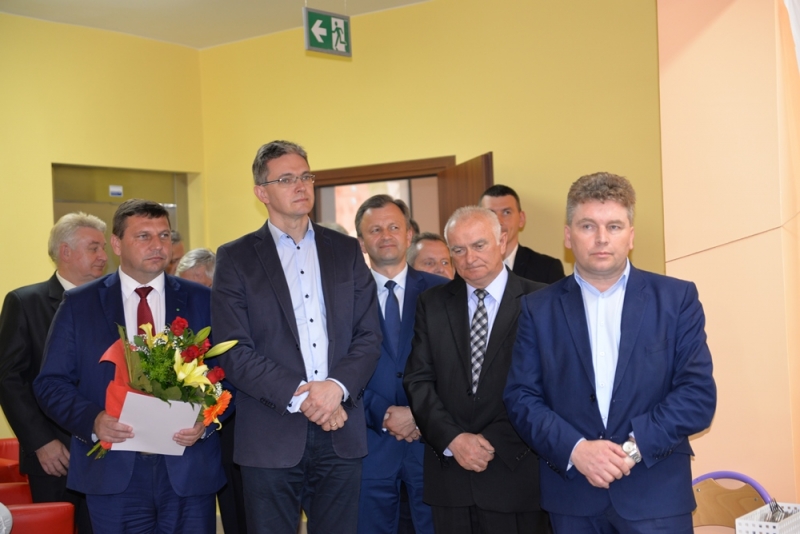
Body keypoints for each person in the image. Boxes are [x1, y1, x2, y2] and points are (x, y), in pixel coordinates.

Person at [504, 172, 716, 533]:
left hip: (656, 494)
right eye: (588, 226)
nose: (601, 238)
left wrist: (630, 450)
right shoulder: (537, 309)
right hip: (573, 496)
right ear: (568, 236)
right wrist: (576, 450)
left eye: (614, 226)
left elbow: (697, 395)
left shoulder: (676, 299)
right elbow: (521, 398)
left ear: (630, 236)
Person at [211, 140, 381, 534]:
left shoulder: (346, 250)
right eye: (286, 179)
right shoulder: (236, 258)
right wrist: (307, 397)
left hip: (341, 429)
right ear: (261, 192)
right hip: (271, 432)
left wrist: (336, 389)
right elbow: (233, 349)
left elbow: (369, 334)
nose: (301, 186)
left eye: (306, 176)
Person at [34, 199, 226, 534]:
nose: (158, 245)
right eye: (144, 236)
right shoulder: (80, 304)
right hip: (113, 473)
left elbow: (230, 373)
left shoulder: (202, 299)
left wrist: (205, 421)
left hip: (188, 470)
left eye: (164, 235)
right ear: (117, 243)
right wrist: (93, 420)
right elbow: (50, 383)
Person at [404, 206, 550, 534]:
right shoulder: (431, 303)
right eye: (458, 249)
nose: (469, 258)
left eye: (479, 245)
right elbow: (418, 380)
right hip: (450, 476)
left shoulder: (541, 300)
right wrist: (453, 439)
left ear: (502, 240)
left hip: (516, 473)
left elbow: (548, 386)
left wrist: (491, 441)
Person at [0, 211, 108, 533]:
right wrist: (41, 442)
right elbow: (8, 379)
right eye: (94, 248)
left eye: (104, 247)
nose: (104, 256)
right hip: (55, 454)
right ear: (65, 252)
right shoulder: (25, 302)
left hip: (109, 451)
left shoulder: (112, 301)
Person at [354, 195, 447, 534]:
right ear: (361, 242)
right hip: (370, 448)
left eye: (394, 227)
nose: (386, 236)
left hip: (431, 446)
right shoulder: (343, 298)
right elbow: (334, 369)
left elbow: (457, 368)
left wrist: (420, 414)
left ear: (409, 235)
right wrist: (381, 413)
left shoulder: (443, 292)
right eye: (375, 230)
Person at [175, 247, 246, 534]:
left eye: (199, 287)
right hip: (189, 439)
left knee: (239, 515)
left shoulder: (235, 318)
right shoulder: (175, 327)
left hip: (234, 432)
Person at [479, 184, 564, 284]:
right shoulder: (469, 267)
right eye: (491, 213)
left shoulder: (547, 269)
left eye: (506, 212)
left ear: (521, 219)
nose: (499, 221)